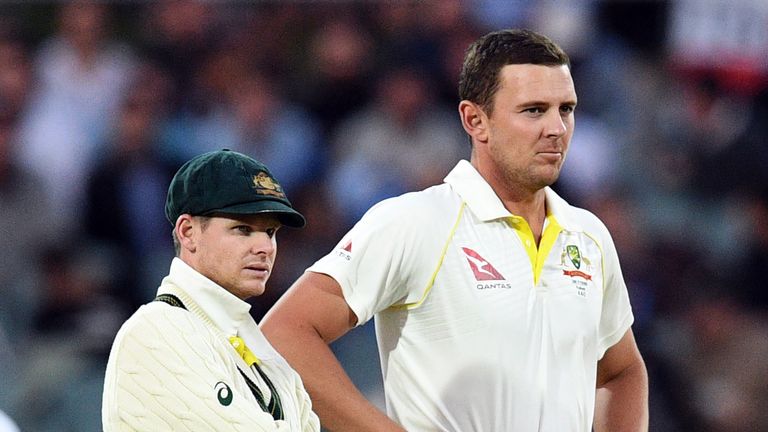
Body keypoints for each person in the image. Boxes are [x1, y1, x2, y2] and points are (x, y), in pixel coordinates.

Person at [261, 28, 649, 431]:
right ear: (475, 120)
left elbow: (620, 371)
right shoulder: (417, 221)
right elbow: (285, 333)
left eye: (565, 109)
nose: (556, 128)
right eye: (534, 110)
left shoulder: (588, 236)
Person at [102, 149, 320, 431]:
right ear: (188, 232)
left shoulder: (257, 344)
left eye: (270, 232)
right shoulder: (154, 331)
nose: (265, 247)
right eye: (243, 229)